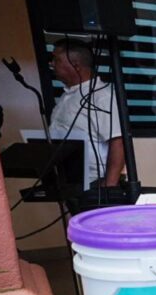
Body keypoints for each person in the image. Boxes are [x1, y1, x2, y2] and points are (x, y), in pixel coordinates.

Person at [48, 38, 124, 186]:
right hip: (70, 181)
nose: (51, 64)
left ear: (75, 65)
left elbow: (118, 143)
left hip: (95, 183)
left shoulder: (102, 96)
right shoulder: (68, 95)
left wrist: (109, 187)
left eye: (56, 60)